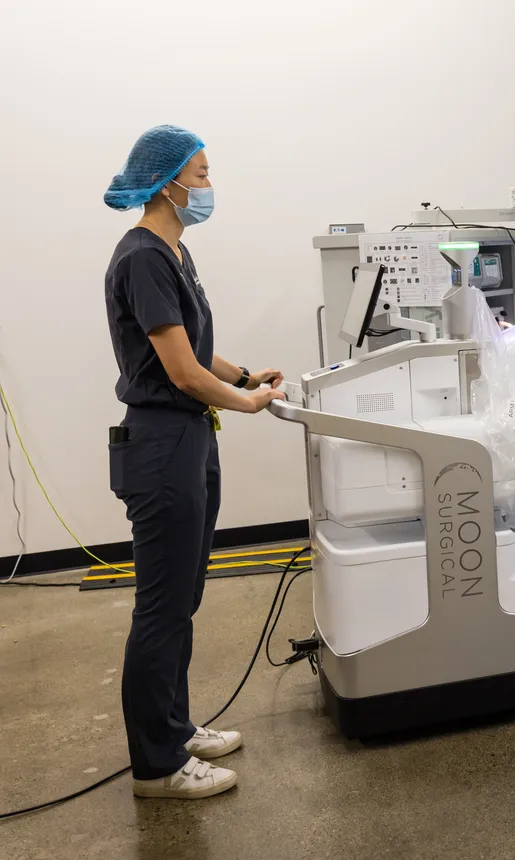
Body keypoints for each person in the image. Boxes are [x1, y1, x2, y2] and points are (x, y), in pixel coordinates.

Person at [103, 125, 286, 799]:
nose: (208, 187)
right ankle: (157, 765)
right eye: (200, 175)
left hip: (188, 439)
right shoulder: (144, 257)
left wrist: (243, 373)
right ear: (167, 181)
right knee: (161, 606)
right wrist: (249, 403)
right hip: (162, 443)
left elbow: (195, 347)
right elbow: (180, 373)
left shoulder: (175, 254)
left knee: (183, 599)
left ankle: (174, 728)